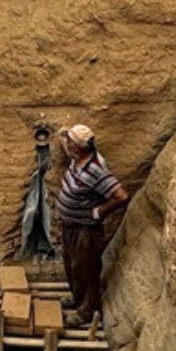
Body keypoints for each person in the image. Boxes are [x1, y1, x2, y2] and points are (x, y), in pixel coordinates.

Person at [54, 123, 129, 332]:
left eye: (70, 142)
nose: (67, 145)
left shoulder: (96, 169)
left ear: (77, 147)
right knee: (71, 265)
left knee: (85, 269)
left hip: (85, 230)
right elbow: (65, 140)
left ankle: (86, 310)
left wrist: (99, 212)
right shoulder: (77, 159)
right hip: (71, 226)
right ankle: (78, 299)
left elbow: (121, 196)